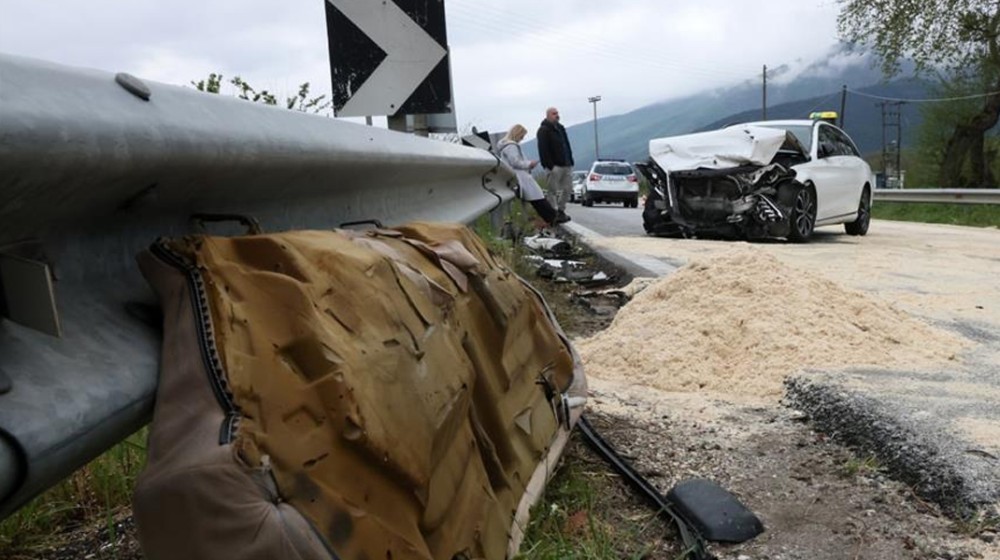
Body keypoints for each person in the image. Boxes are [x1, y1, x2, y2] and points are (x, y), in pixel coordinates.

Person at [497, 124, 563, 226]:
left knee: (537, 198)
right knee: (537, 198)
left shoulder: (505, 146)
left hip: (518, 176)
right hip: (521, 176)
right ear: (517, 134)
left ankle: (552, 217)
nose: (522, 138)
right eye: (522, 136)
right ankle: (553, 217)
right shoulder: (511, 146)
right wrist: (529, 164)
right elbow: (515, 162)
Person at [536, 107, 574, 223]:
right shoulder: (543, 130)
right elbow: (543, 149)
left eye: (557, 113)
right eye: (554, 114)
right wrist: (549, 165)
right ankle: (554, 212)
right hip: (554, 166)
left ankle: (561, 210)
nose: (556, 115)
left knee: (567, 189)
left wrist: (570, 160)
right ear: (548, 115)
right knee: (552, 190)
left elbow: (566, 145)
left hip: (566, 164)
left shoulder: (561, 128)